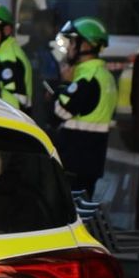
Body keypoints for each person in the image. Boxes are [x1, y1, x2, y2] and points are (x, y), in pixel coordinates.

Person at [49, 17, 117, 198]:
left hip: (75, 161)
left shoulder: (87, 79)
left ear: (87, 45)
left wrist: (64, 85)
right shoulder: (104, 75)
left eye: (73, 42)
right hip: (90, 160)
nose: (69, 47)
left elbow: (59, 113)